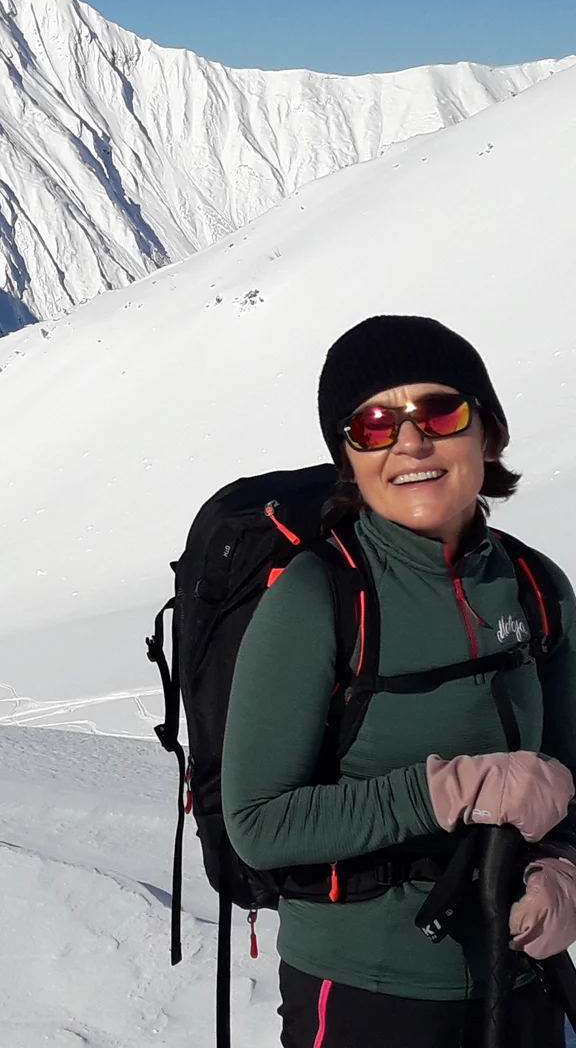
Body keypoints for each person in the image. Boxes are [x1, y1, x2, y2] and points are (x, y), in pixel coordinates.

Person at [224, 315, 576, 1047]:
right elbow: (258, 823)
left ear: (489, 433)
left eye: (440, 413)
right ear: (349, 457)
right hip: (364, 994)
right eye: (375, 424)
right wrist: (449, 789)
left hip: (523, 980)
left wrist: (564, 872)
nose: (411, 443)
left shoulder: (537, 588)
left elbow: (570, 774)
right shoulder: (318, 599)